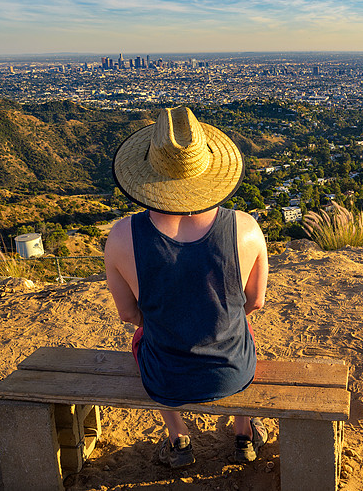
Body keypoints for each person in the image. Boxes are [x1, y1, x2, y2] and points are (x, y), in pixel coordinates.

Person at [104, 106, 268, 468]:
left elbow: (129, 315)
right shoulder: (246, 228)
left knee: (146, 337)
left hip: (167, 378)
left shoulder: (120, 237)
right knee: (243, 327)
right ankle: (243, 433)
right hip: (232, 371)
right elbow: (254, 302)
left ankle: (178, 440)